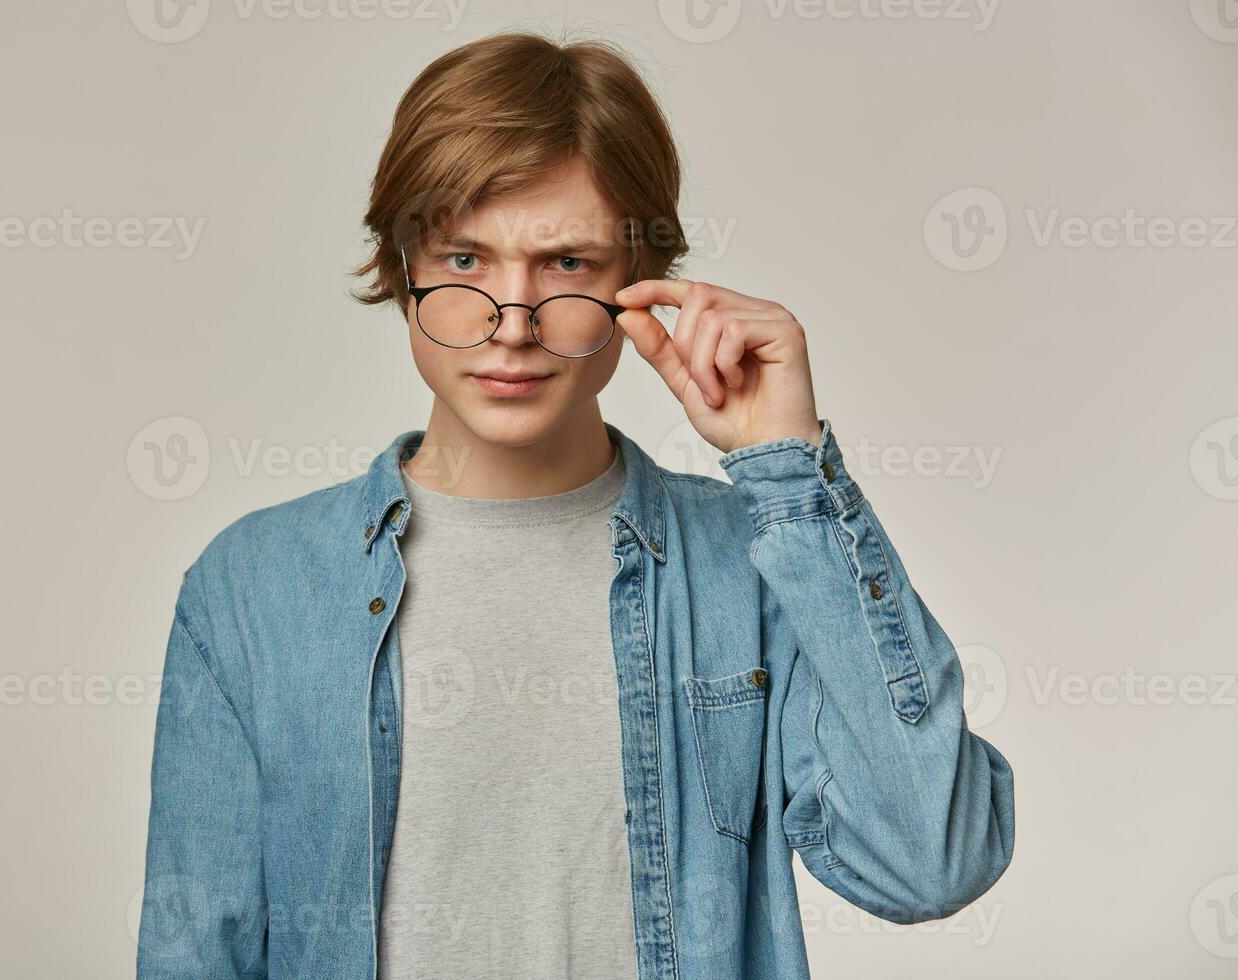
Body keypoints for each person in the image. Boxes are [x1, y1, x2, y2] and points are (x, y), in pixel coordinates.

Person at [137, 31, 1014, 980]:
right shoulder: (253, 589)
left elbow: (930, 863)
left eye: (565, 265)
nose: (511, 323)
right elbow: (196, 951)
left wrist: (789, 473)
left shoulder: (751, 566)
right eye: (465, 258)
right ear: (401, 266)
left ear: (643, 282)